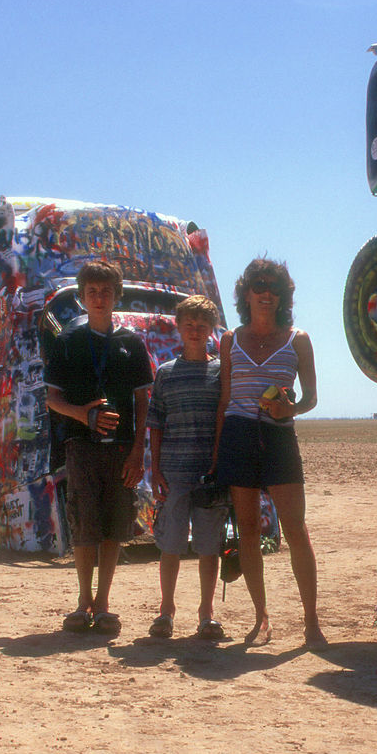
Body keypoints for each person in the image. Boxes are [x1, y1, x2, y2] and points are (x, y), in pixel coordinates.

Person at [213, 258, 324, 647]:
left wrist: (289, 409)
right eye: (258, 285)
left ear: (283, 296)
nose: (266, 293)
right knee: (246, 532)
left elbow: (311, 398)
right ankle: (262, 617)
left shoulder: (299, 339)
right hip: (239, 437)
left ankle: (311, 620)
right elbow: (226, 399)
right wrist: (216, 454)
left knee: (296, 530)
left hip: (279, 438)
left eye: (274, 286)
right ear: (246, 293)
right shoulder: (230, 339)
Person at [44, 260, 154, 637]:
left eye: (106, 291)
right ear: (82, 297)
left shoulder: (131, 343)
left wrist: (139, 450)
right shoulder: (68, 342)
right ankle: (82, 601)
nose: (100, 297)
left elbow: (143, 401)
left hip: (122, 448)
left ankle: (104, 603)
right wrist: (83, 416)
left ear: (116, 295)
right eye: (92, 291)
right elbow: (52, 400)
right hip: (82, 446)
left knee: (114, 526)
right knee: (83, 524)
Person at [146, 295, 230, 641]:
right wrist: (156, 469)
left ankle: (206, 614)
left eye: (202, 326)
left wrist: (220, 463)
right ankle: (166, 611)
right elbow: (156, 423)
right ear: (179, 328)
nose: (195, 331)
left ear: (211, 330)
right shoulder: (165, 374)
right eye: (189, 325)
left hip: (210, 474)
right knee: (172, 545)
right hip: (174, 472)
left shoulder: (221, 373)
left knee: (209, 547)